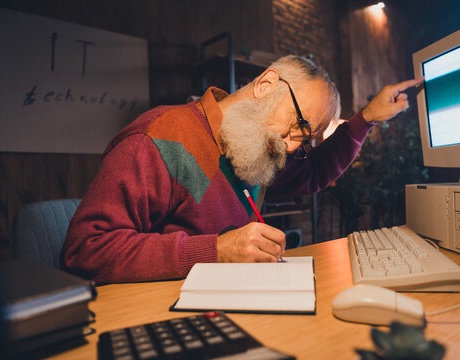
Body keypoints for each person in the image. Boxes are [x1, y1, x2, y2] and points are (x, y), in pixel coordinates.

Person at [61, 55, 422, 284]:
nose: (294, 145)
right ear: (266, 85)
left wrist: (366, 119)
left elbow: (313, 174)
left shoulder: (251, 151)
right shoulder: (160, 138)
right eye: (298, 124)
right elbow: (86, 249)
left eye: (306, 137)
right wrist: (215, 251)